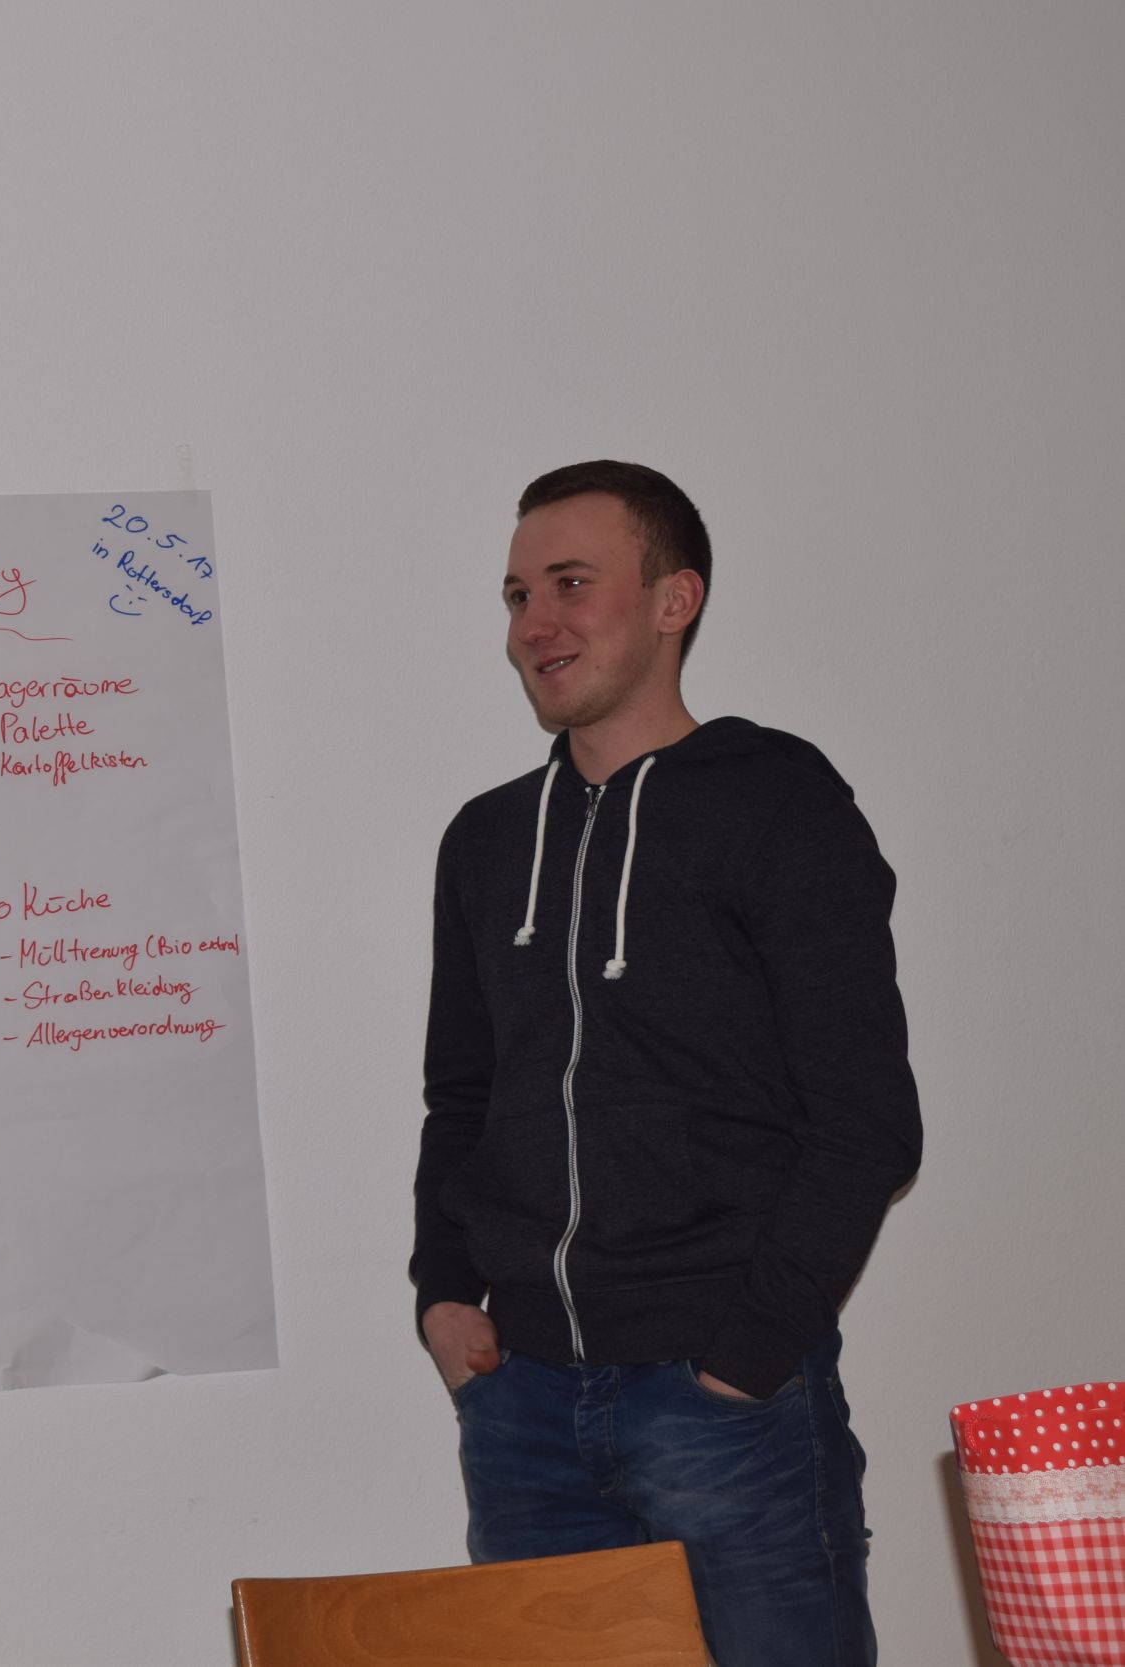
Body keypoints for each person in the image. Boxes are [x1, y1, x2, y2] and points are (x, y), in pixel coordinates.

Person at [410, 461, 921, 1666]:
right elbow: (461, 1095)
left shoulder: (777, 807)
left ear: (671, 599)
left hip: (723, 1402)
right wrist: (443, 1288)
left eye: (570, 583)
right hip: (523, 1406)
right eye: (517, 594)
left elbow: (865, 1123)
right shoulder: (486, 841)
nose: (534, 623)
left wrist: (743, 1358)